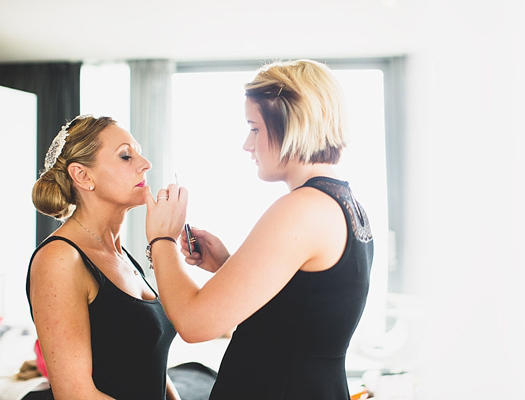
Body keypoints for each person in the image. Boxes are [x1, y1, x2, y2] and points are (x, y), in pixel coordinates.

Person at [144, 59, 374, 399]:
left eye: (254, 128)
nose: (247, 144)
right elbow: (305, 308)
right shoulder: (345, 203)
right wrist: (229, 265)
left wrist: (162, 238)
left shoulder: (302, 209)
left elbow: (194, 324)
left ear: (291, 125)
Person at [26, 115, 181, 400]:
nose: (146, 164)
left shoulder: (123, 256)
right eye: (125, 156)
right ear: (83, 176)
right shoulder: (60, 259)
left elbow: (150, 363)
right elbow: (76, 395)